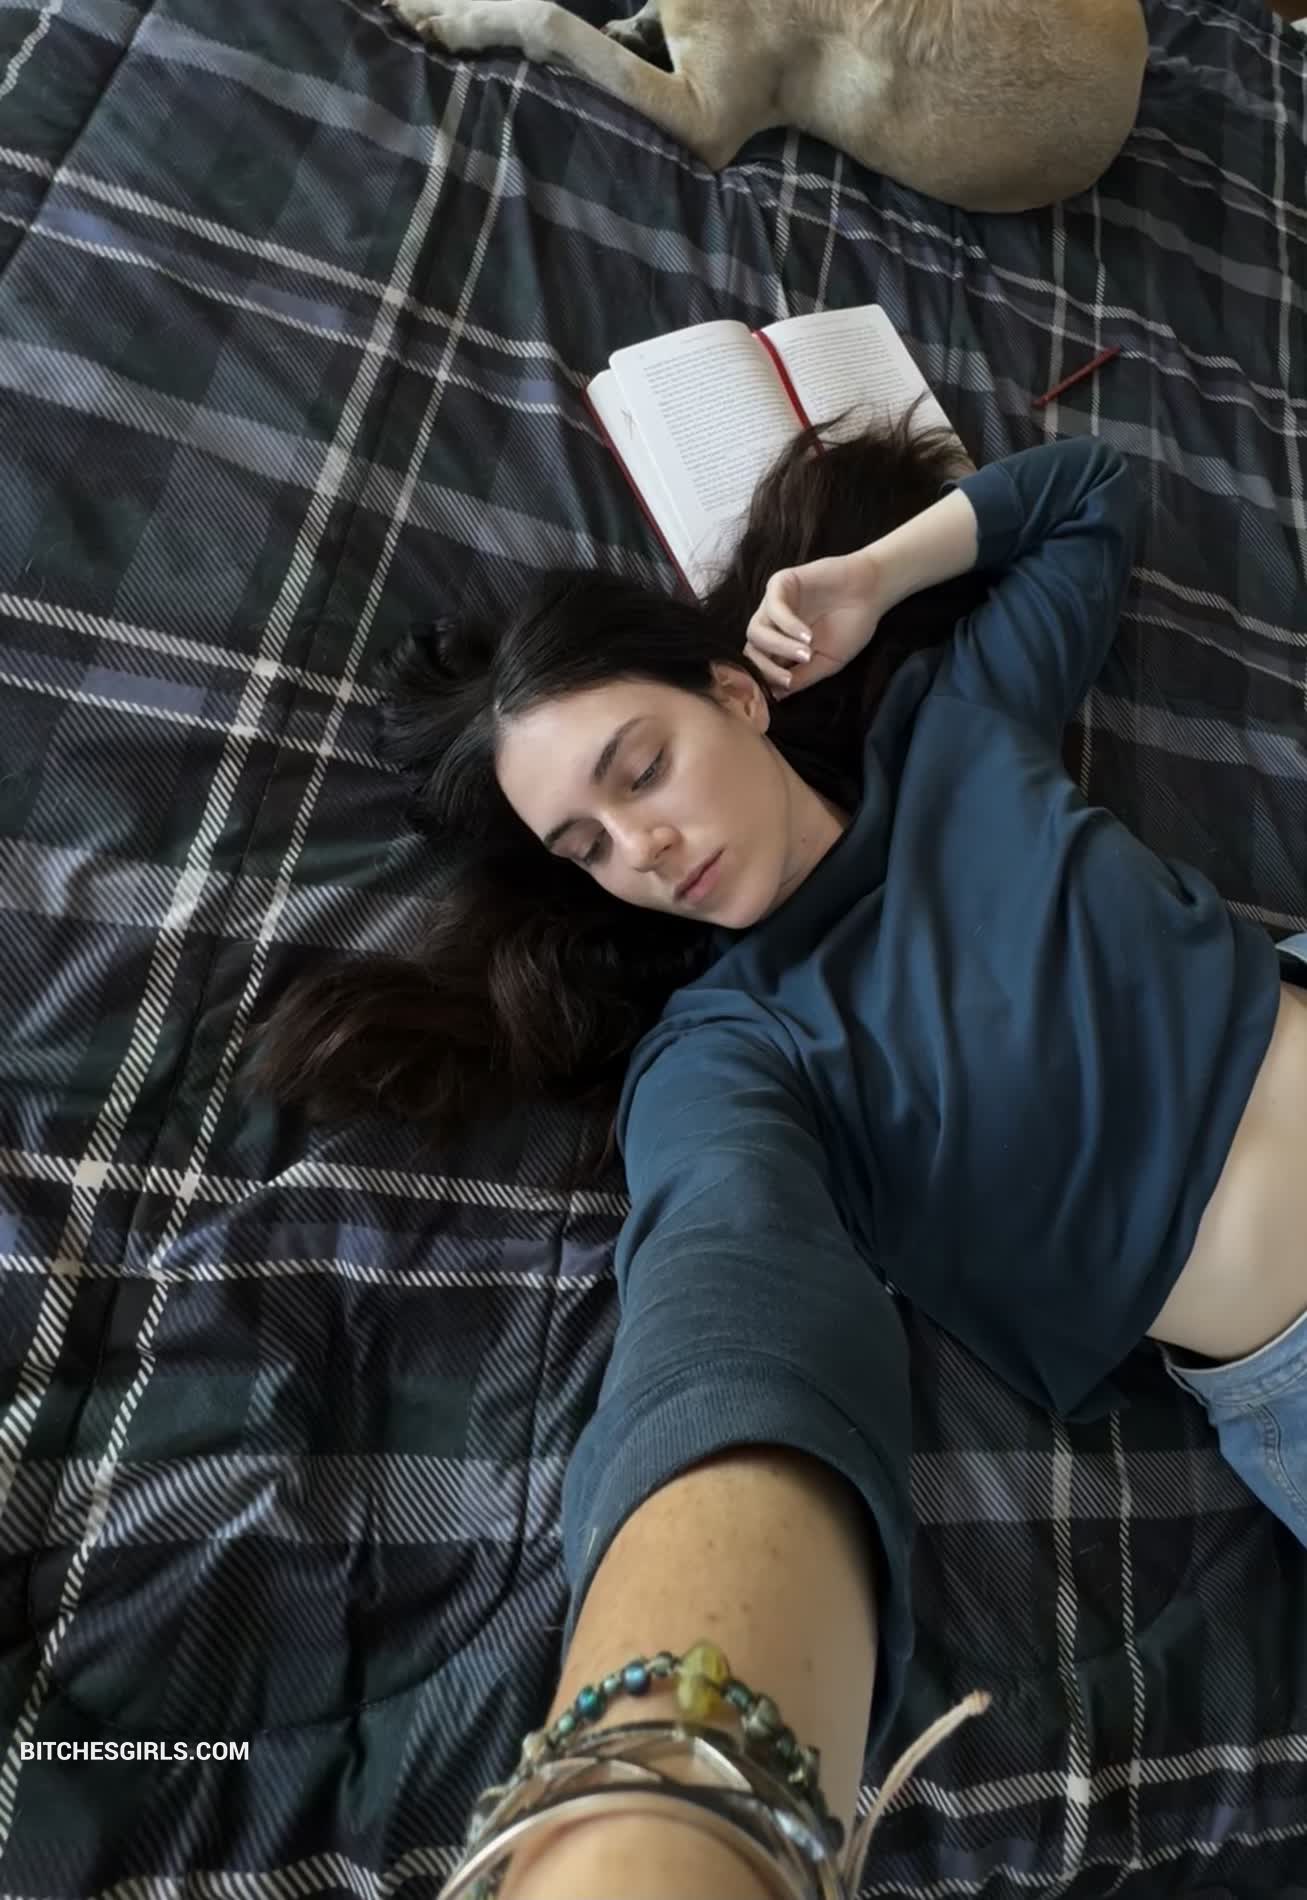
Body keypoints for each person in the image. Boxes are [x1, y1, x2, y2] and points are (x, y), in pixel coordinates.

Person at [251, 420, 1307, 1897]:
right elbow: (722, 1294)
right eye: (586, 845)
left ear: (735, 693)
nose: (640, 847)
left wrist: (871, 579)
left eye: (643, 768)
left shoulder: (951, 732)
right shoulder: (726, 1053)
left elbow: (1091, 494)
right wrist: (665, 1799)